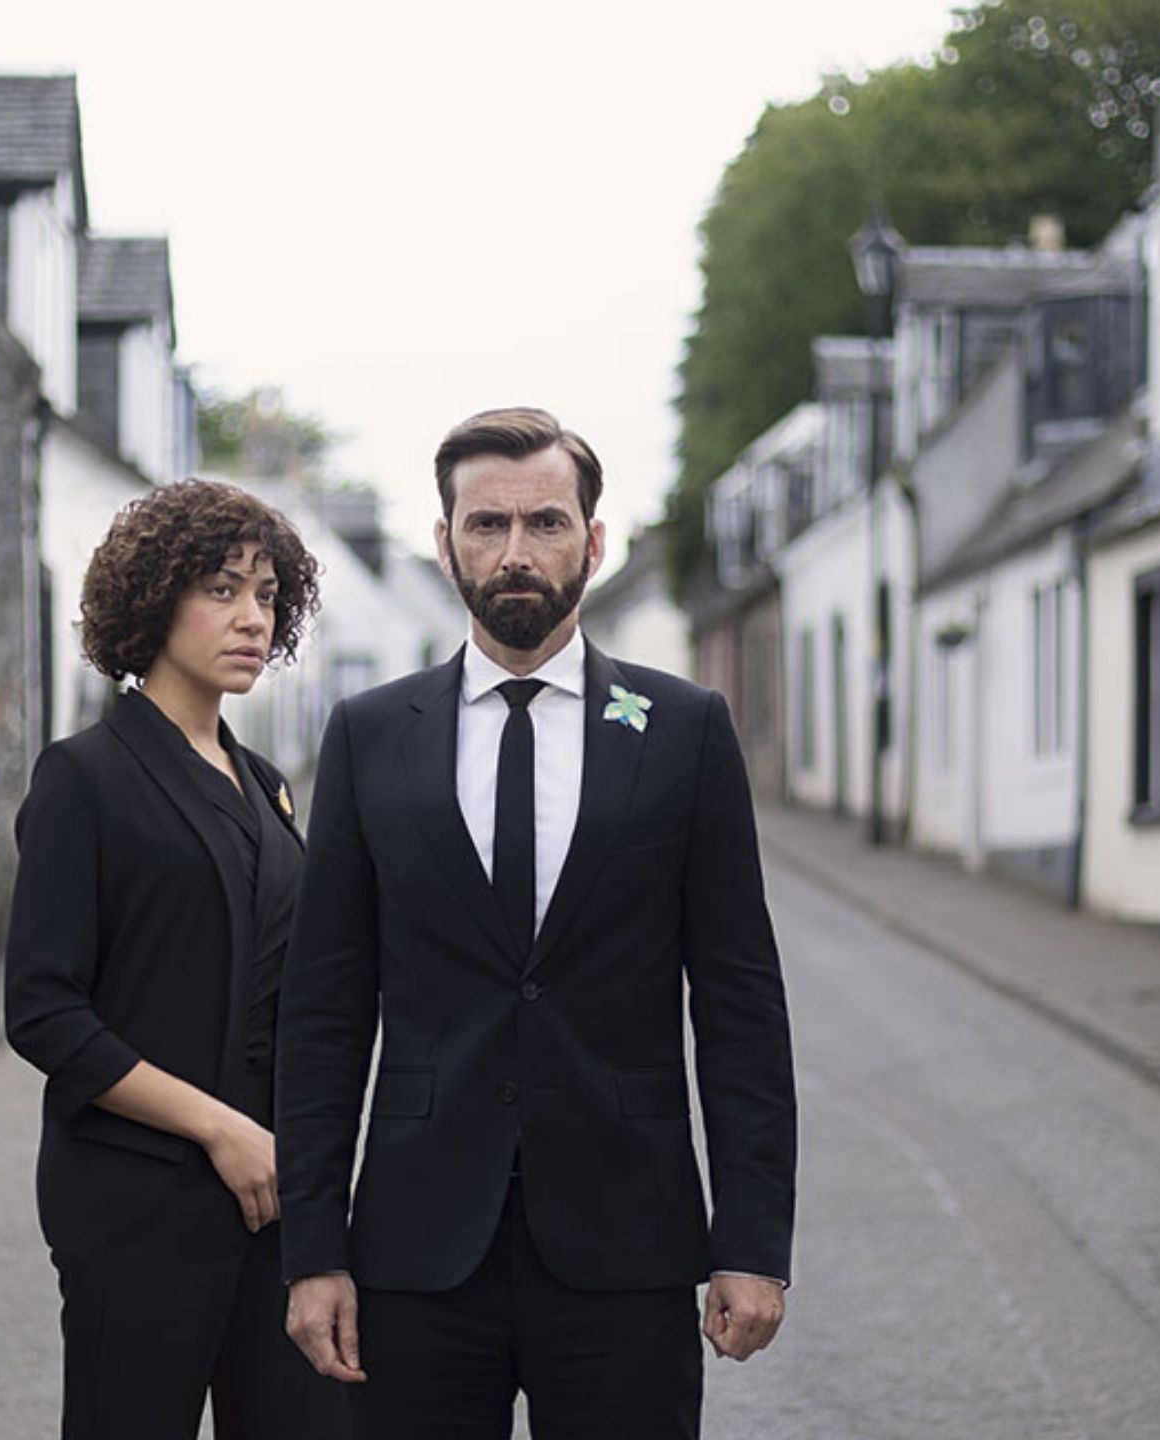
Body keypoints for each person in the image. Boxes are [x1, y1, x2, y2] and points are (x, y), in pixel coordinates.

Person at [277, 407, 799, 1439]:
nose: (516, 552)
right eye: (487, 525)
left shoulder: (683, 731)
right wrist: (314, 1250)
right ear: (446, 543)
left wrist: (751, 1241)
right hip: (415, 1255)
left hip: (626, 1249)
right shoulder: (371, 736)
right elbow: (324, 1011)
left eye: (547, 523)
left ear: (594, 543)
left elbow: (738, 1000)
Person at [3, 479, 350, 1440]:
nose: (252, 617)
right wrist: (219, 1129)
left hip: (278, 1208)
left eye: (268, 596)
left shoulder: (268, 785)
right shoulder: (84, 779)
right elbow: (44, 1011)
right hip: (136, 1205)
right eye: (222, 588)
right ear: (156, 600)